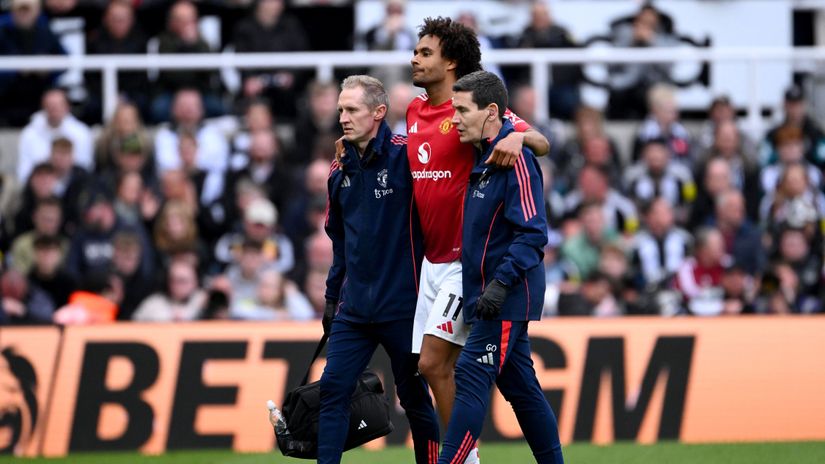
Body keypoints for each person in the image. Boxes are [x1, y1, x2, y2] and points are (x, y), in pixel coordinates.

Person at [406, 20, 549, 462]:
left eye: (425, 52)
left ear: (450, 62)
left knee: (437, 365)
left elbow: (537, 142)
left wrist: (521, 136)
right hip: (429, 263)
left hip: (465, 265)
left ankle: (462, 459)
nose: (414, 58)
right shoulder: (413, 112)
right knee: (514, 383)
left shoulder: (476, 109)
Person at [438, 70, 562, 464]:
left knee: (471, 379)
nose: (454, 119)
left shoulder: (517, 159)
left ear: (491, 112)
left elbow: (533, 233)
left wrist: (500, 284)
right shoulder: (485, 154)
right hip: (488, 295)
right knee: (523, 390)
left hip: (504, 297)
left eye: (461, 110)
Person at [319, 75, 439, 464]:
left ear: (379, 112)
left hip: (403, 307)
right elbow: (340, 246)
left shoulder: (408, 156)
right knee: (332, 390)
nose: (343, 117)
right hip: (353, 311)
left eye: (352, 109)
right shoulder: (338, 173)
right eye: (340, 109)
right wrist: (331, 298)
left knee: (415, 399)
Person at [0, 0, 66, 127]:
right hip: (8, 96)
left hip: (38, 94)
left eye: (28, 10)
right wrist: (16, 70)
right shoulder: (3, 33)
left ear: (37, 11)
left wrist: (48, 68)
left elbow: (65, 61)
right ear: (13, 11)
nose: (24, 14)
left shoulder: (45, 32)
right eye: (21, 10)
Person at [16, 89, 93, 183]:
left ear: (67, 107)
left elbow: (85, 167)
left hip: (73, 188)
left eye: (58, 106)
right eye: (50, 106)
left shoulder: (82, 133)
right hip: (40, 189)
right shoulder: (29, 134)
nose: (54, 110)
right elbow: (24, 172)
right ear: (43, 108)